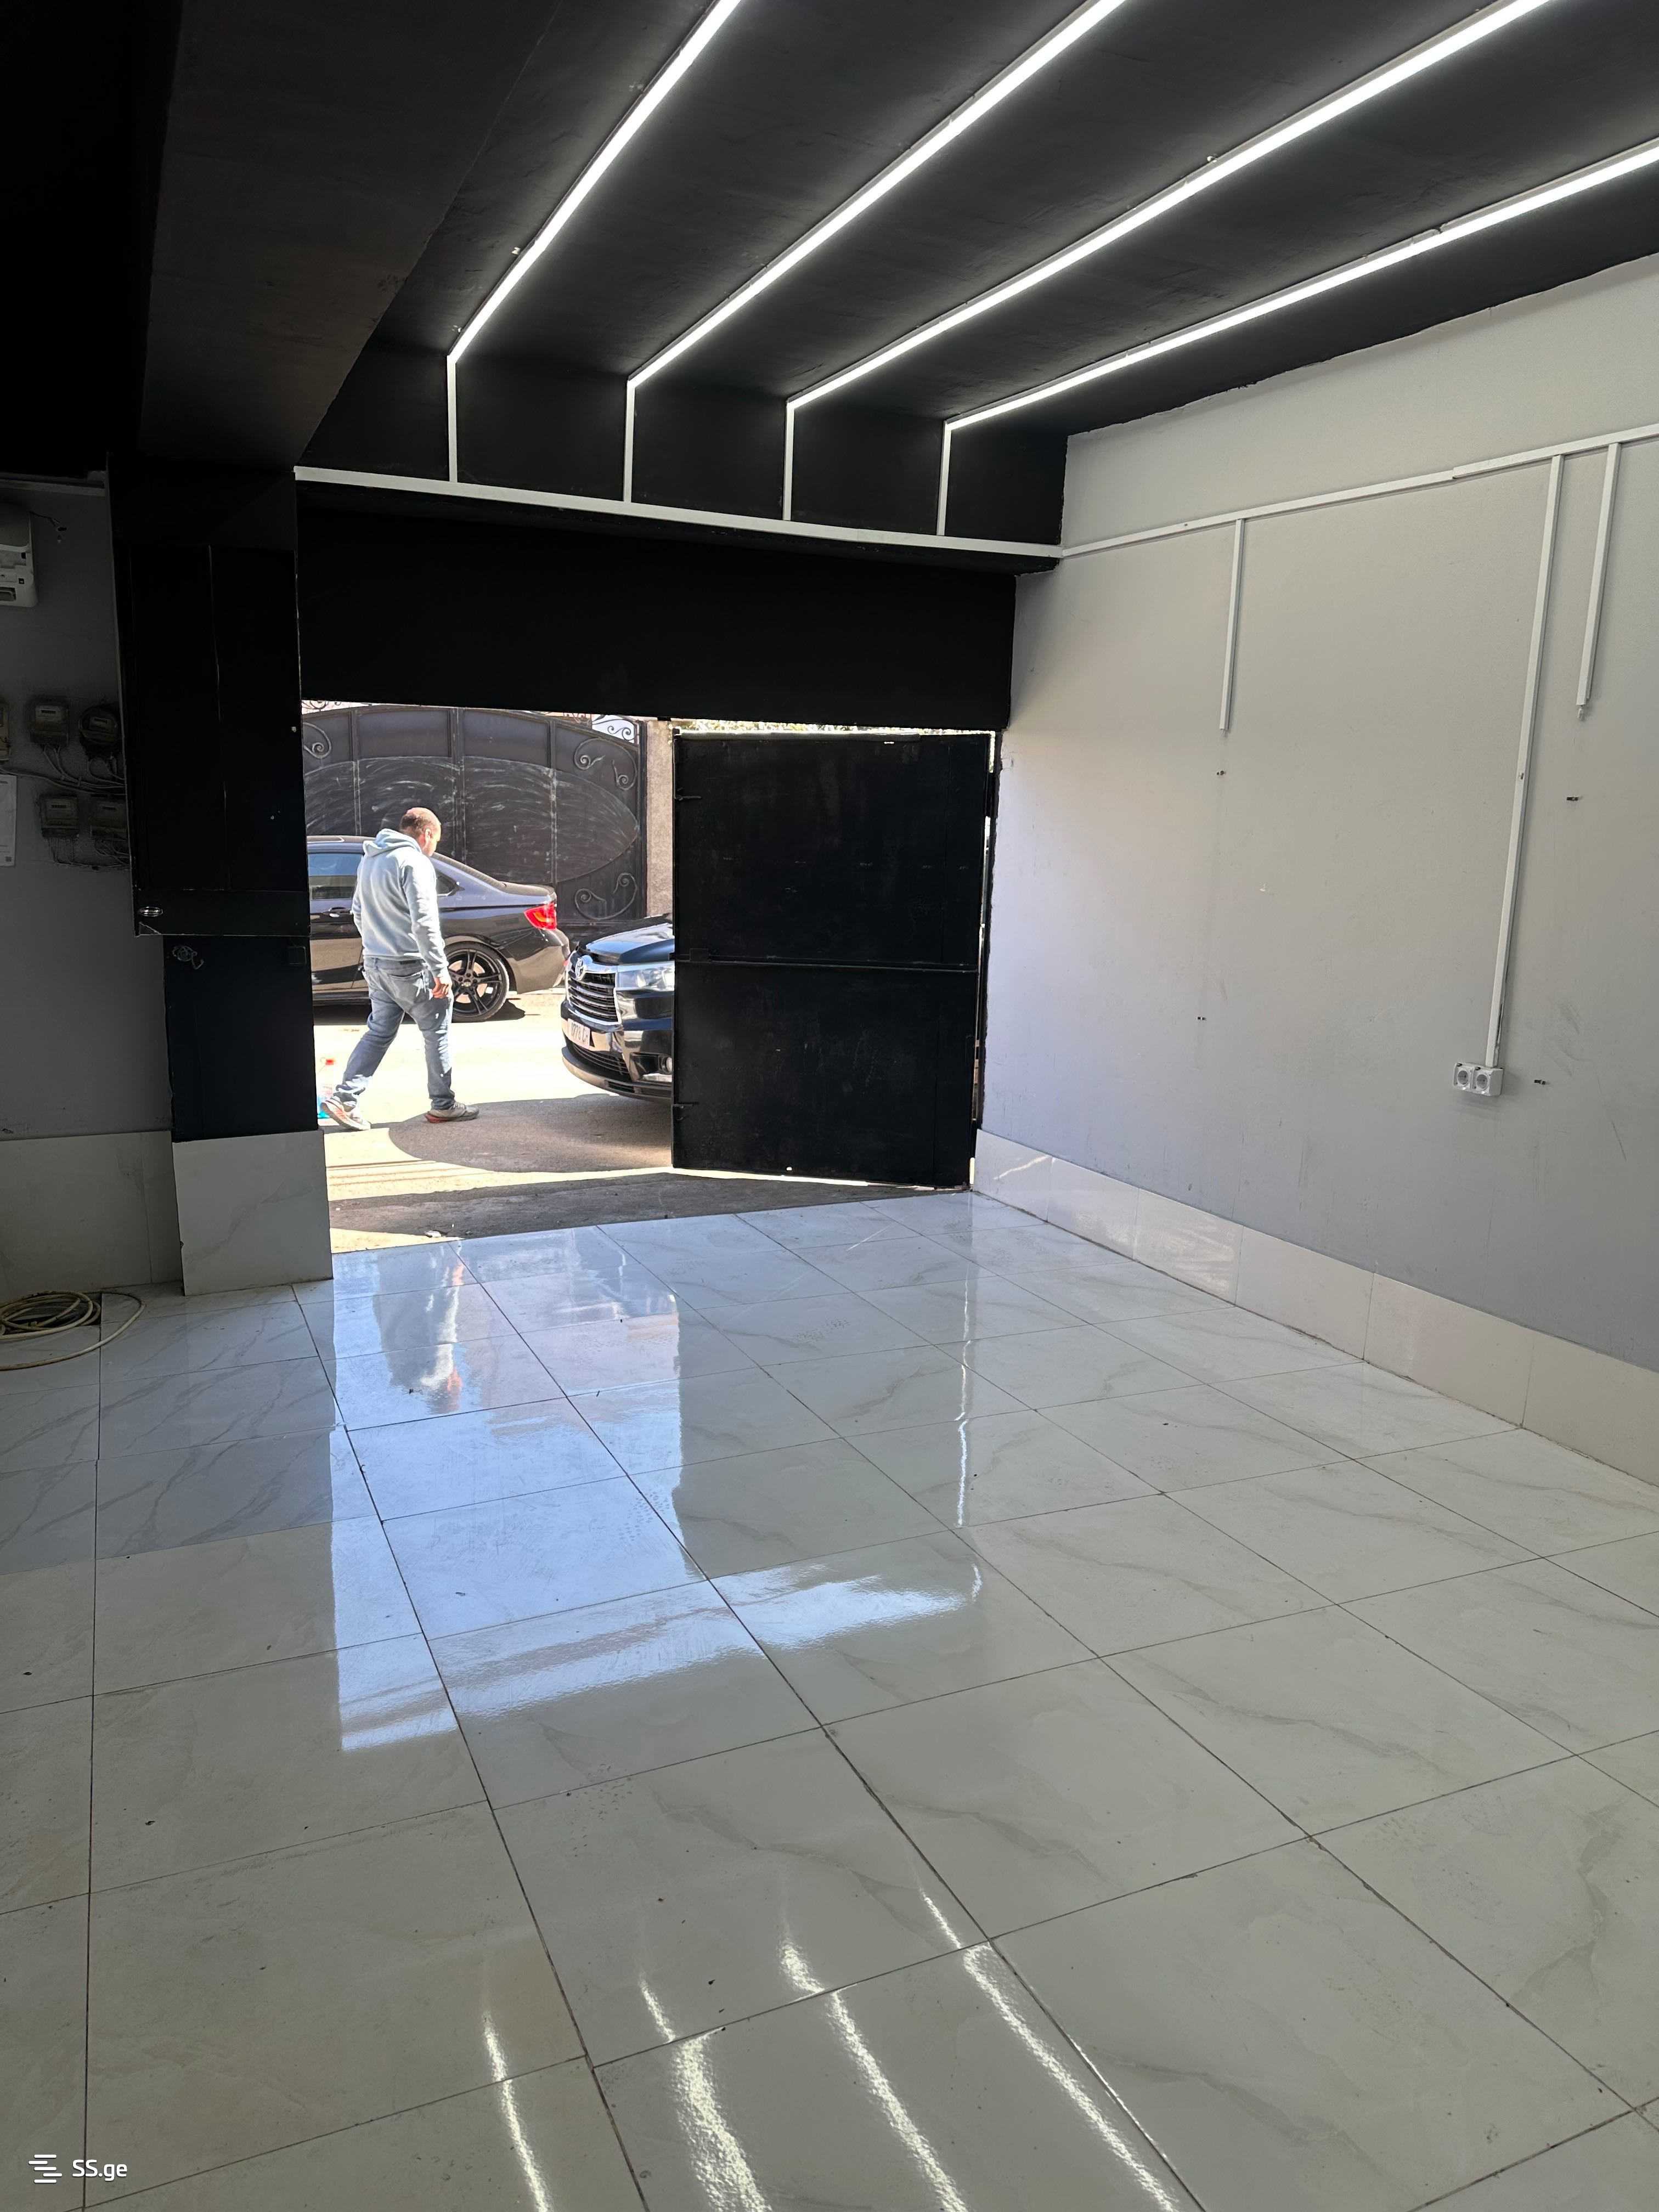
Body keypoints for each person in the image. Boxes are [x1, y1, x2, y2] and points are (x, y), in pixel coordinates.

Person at [319, 807, 479, 1128]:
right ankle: (443, 1105)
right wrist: (440, 969)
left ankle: (345, 1099)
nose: (434, 848)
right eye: (436, 840)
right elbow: (424, 922)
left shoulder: (371, 859)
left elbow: (357, 911)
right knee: (436, 1032)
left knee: (379, 1032)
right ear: (427, 834)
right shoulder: (414, 862)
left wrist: (378, 944)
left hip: (376, 964)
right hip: (411, 965)